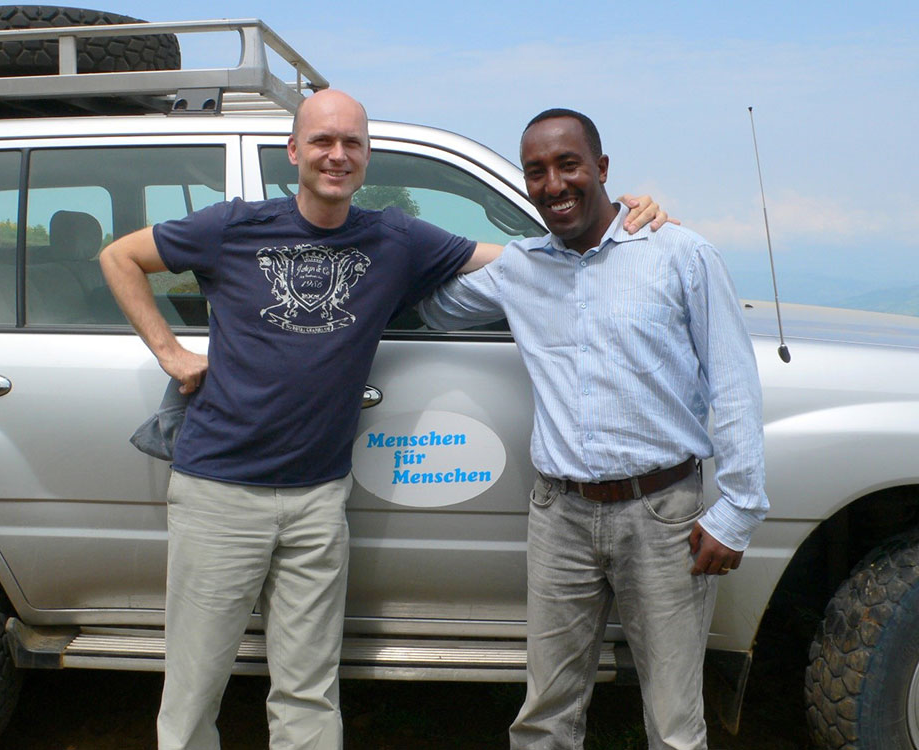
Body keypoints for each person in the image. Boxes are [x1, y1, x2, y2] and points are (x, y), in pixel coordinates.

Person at [99, 90, 667, 750]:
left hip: (318, 498)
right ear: (294, 153)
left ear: (366, 159)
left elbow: (523, 260)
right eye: (321, 142)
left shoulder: (393, 238)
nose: (336, 155)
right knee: (195, 688)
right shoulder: (233, 227)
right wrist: (170, 351)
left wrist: (618, 218)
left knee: (308, 688)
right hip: (221, 492)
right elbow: (120, 257)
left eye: (351, 144)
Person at [418, 108, 768, 750]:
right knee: (547, 713)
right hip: (561, 517)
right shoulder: (520, 269)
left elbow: (734, 381)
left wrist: (738, 509)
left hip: (664, 516)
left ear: (603, 169)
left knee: (674, 721)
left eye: (569, 164)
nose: (554, 184)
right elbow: (434, 305)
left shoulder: (681, 254)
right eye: (537, 172)